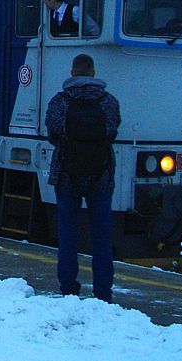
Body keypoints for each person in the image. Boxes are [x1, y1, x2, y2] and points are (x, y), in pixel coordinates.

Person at [45, 53, 121, 303]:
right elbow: (112, 132)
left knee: (67, 233)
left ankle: (68, 288)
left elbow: (53, 134)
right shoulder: (109, 102)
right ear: (93, 72)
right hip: (101, 175)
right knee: (102, 236)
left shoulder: (60, 101)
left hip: (67, 175)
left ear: (72, 72)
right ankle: (103, 293)